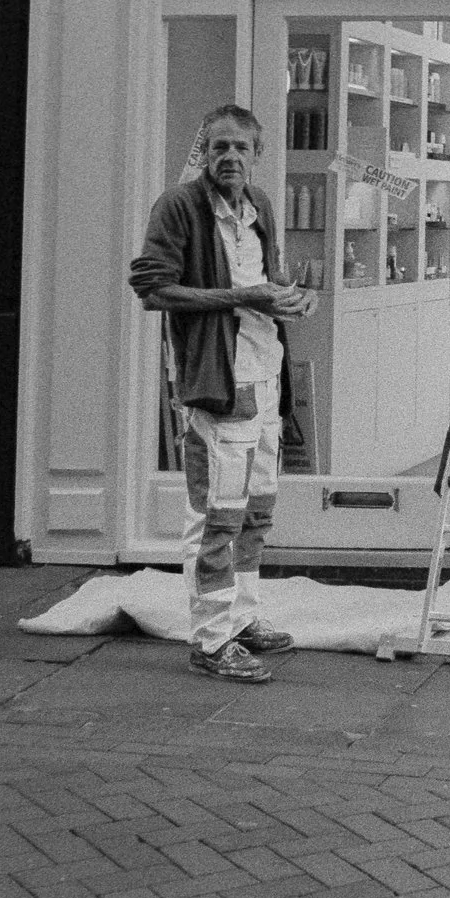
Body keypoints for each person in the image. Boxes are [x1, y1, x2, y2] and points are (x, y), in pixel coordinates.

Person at [128, 104, 317, 683]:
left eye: (240, 148)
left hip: (266, 377)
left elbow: (272, 279)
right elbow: (152, 288)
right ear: (204, 152)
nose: (230, 157)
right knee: (217, 517)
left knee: (256, 515)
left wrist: (293, 297)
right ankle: (211, 641)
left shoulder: (259, 205)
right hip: (218, 380)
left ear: (257, 155)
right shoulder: (179, 205)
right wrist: (239, 298)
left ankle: (242, 621)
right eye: (219, 147)